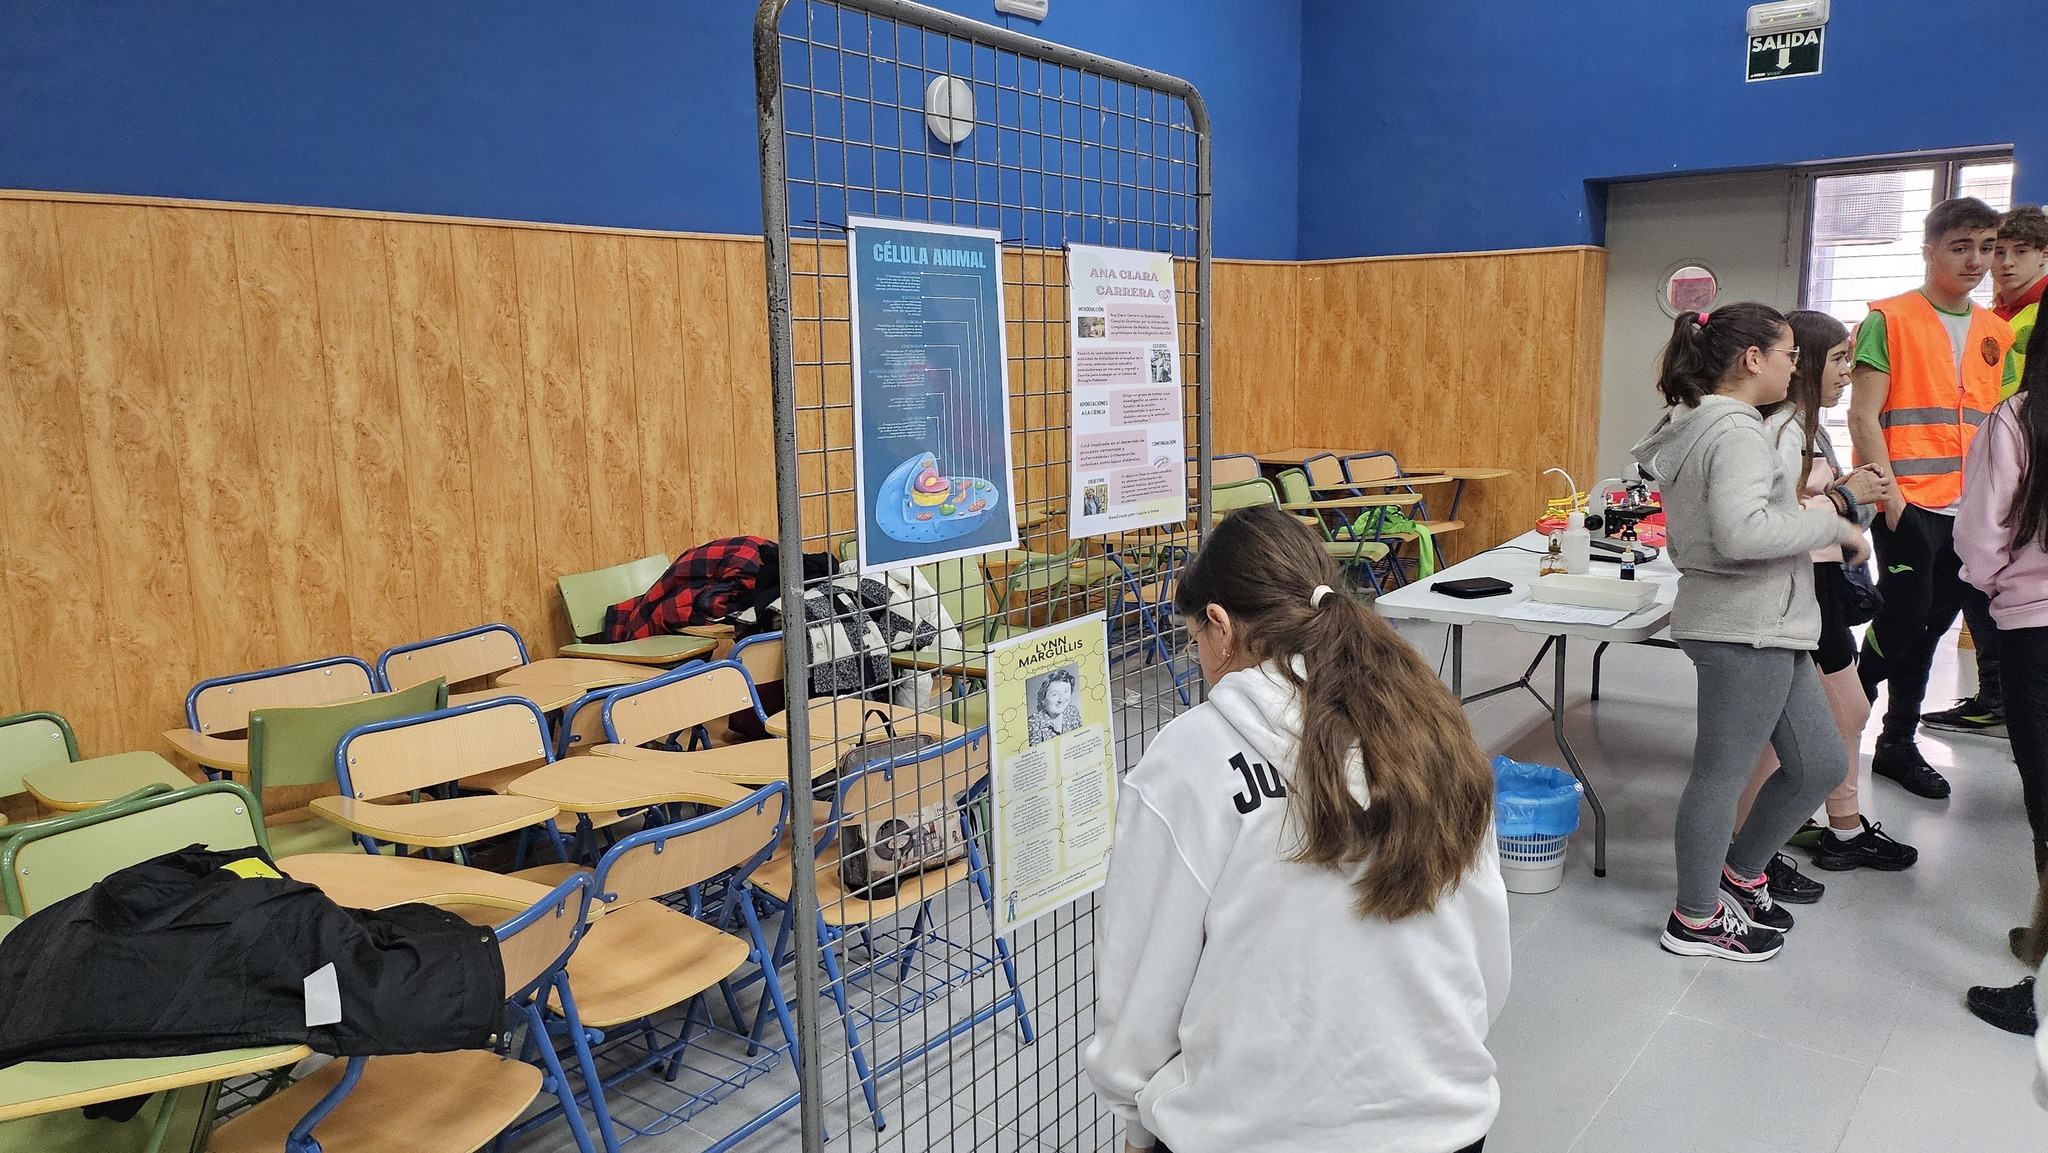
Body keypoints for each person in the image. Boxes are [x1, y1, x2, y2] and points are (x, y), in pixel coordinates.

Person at [1083, 504, 1508, 1153]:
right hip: (1445, 1122)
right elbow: (1486, 960)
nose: (1199, 657)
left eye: (1195, 638)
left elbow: (1142, 990)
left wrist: (1138, 1120)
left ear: (1219, 626)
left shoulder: (1188, 759)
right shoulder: (1434, 731)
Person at [1631, 302, 1880, 962]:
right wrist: (1832, 522)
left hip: (1772, 623)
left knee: (1820, 763)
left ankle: (1739, 872)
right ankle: (1694, 917)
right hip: (1745, 625)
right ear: (1753, 359)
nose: (1795, 367)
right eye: (1790, 355)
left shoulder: (1719, 424)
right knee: (1720, 773)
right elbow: (1744, 533)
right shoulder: (1737, 432)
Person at [1734, 310, 1919, 887]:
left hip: (1821, 589)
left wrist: (1851, 502)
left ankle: (1840, 829)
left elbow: (1830, 509)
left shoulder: (1810, 429)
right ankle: (1748, 850)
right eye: (1839, 360)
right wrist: (1844, 502)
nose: (1849, 373)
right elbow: (1764, 524)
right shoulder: (1777, 432)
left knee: (1839, 714)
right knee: (1796, 730)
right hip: (1794, 591)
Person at [1849, 198, 2019, 798]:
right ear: (1930, 249)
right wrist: (1890, 499)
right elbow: (1864, 415)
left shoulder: (1995, 331)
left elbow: (1991, 424)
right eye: (1961, 247)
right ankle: (1839, 729)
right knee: (1901, 615)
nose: (1978, 260)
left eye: (1987, 247)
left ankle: (1896, 743)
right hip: (1908, 503)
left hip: (1968, 509)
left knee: (1933, 624)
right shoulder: (1888, 319)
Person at [1957, 318, 2048, 1035]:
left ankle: (2043, 994)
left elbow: (1983, 530)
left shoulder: (2020, 416)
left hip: (2037, 625)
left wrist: (1991, 588)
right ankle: (2041, 942)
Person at [1926, 206, 2048, 737]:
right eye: (1999, 249)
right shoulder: (1998, 313)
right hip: (1983, 462)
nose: (2001, 261)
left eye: (2019, 251)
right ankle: (1995, 693)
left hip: (2018, 461)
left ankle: (1998, 695)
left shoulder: (2031, 316)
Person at [1026, 667, 1081, 745]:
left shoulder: (1072, 712)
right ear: (1043, 699)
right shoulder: (1033, 724)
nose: (1061, 700)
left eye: (1066, 691)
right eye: (1054, 694)